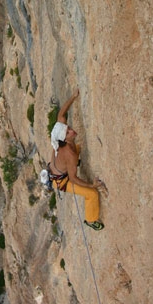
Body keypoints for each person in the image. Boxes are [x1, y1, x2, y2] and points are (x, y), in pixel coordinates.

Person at [48, 90, 105, 231]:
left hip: (59, 168)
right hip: (62, 181)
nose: (72, 131)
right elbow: (73, 179)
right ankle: (91, 220)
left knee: (78, 148)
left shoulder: (61, 131)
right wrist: (92, 185)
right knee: (92, 195)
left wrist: (73, 97)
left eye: (69, 129)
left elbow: (61, 114)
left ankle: (72, 166)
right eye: (68, 133)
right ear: (65, 140)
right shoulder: (70, 155)